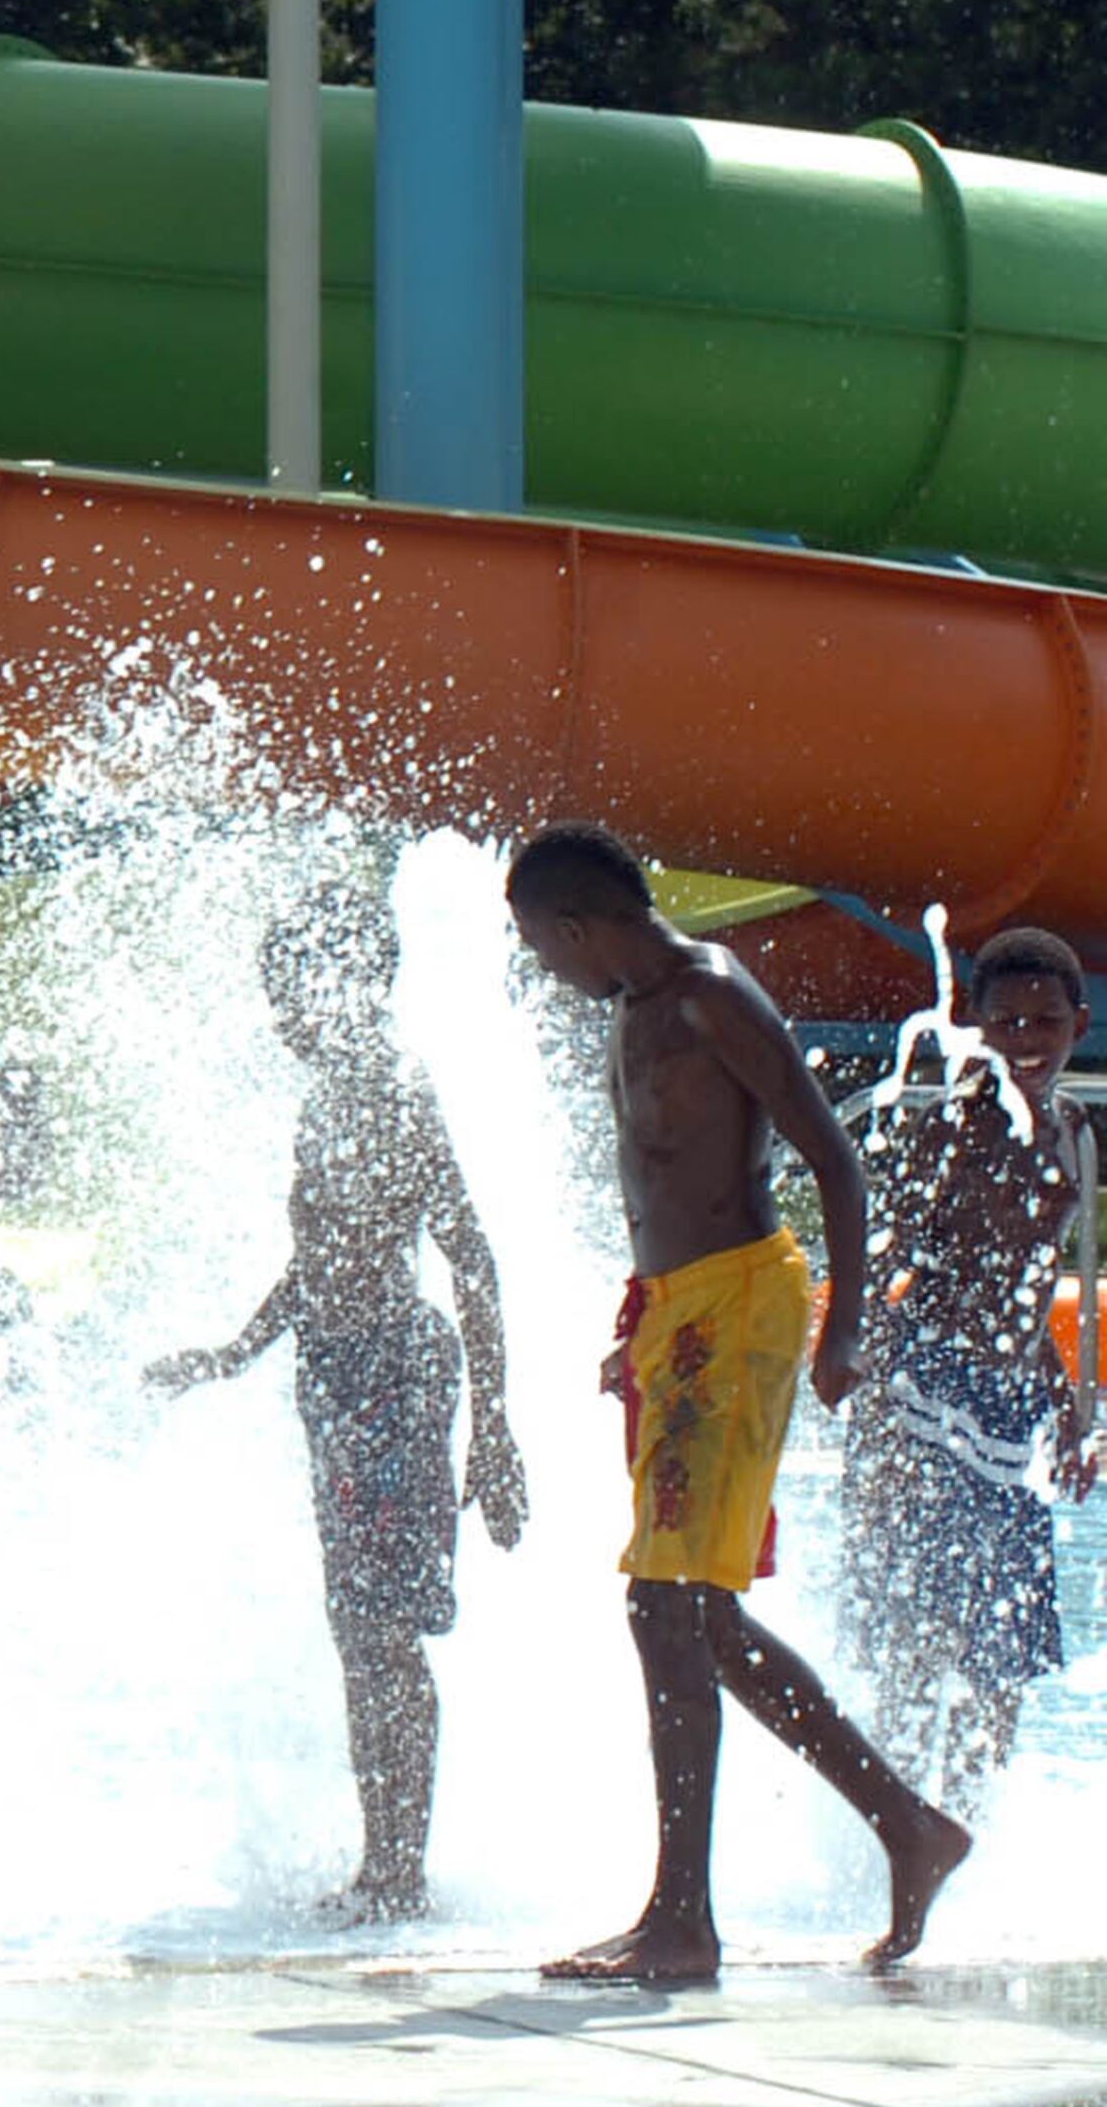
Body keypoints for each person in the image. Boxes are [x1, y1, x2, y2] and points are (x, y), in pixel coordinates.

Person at [503, 823, 968, 1983]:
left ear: (572, 925)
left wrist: (844, 1329)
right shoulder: (630, 1004)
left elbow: (833, 1161)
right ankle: (907, 1829)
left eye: (537, 947)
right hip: (679, 1315)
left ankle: (684, 1923)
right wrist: (643, 1329)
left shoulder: (710, 997)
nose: (543, 970)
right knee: (691, 1617)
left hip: (742, 1313)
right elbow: (663, 1181)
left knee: (668, 1609)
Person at [145, 884, 526, 1923]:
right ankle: (383, 1867)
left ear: (347, 984)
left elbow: (474, 1259)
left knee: (380, 1634)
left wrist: (493, 1430)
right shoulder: (332, 1096)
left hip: (395, 1378)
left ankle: (400, 1874)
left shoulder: (394, 1090)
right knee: (359, 1631)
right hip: (339, 1373)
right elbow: (319, 1252)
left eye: (288, 992)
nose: (276, 1017)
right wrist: (234, 1352)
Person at [840, 927, 1100, 1811]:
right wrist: (866, 1394)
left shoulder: (1077, 1138)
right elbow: (882, 1268)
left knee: (1002, 1654)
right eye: (1006, 1022)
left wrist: (1077, 1411)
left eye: (1045, 1021)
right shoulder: (952, 1129)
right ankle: (898, 1827)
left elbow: (1046, 1287)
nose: (1027, 1039)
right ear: (974, 1027)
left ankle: (968, 1832)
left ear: (1081, 1023)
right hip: (925, 1395)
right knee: (917, 1629)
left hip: (1013, 1407)